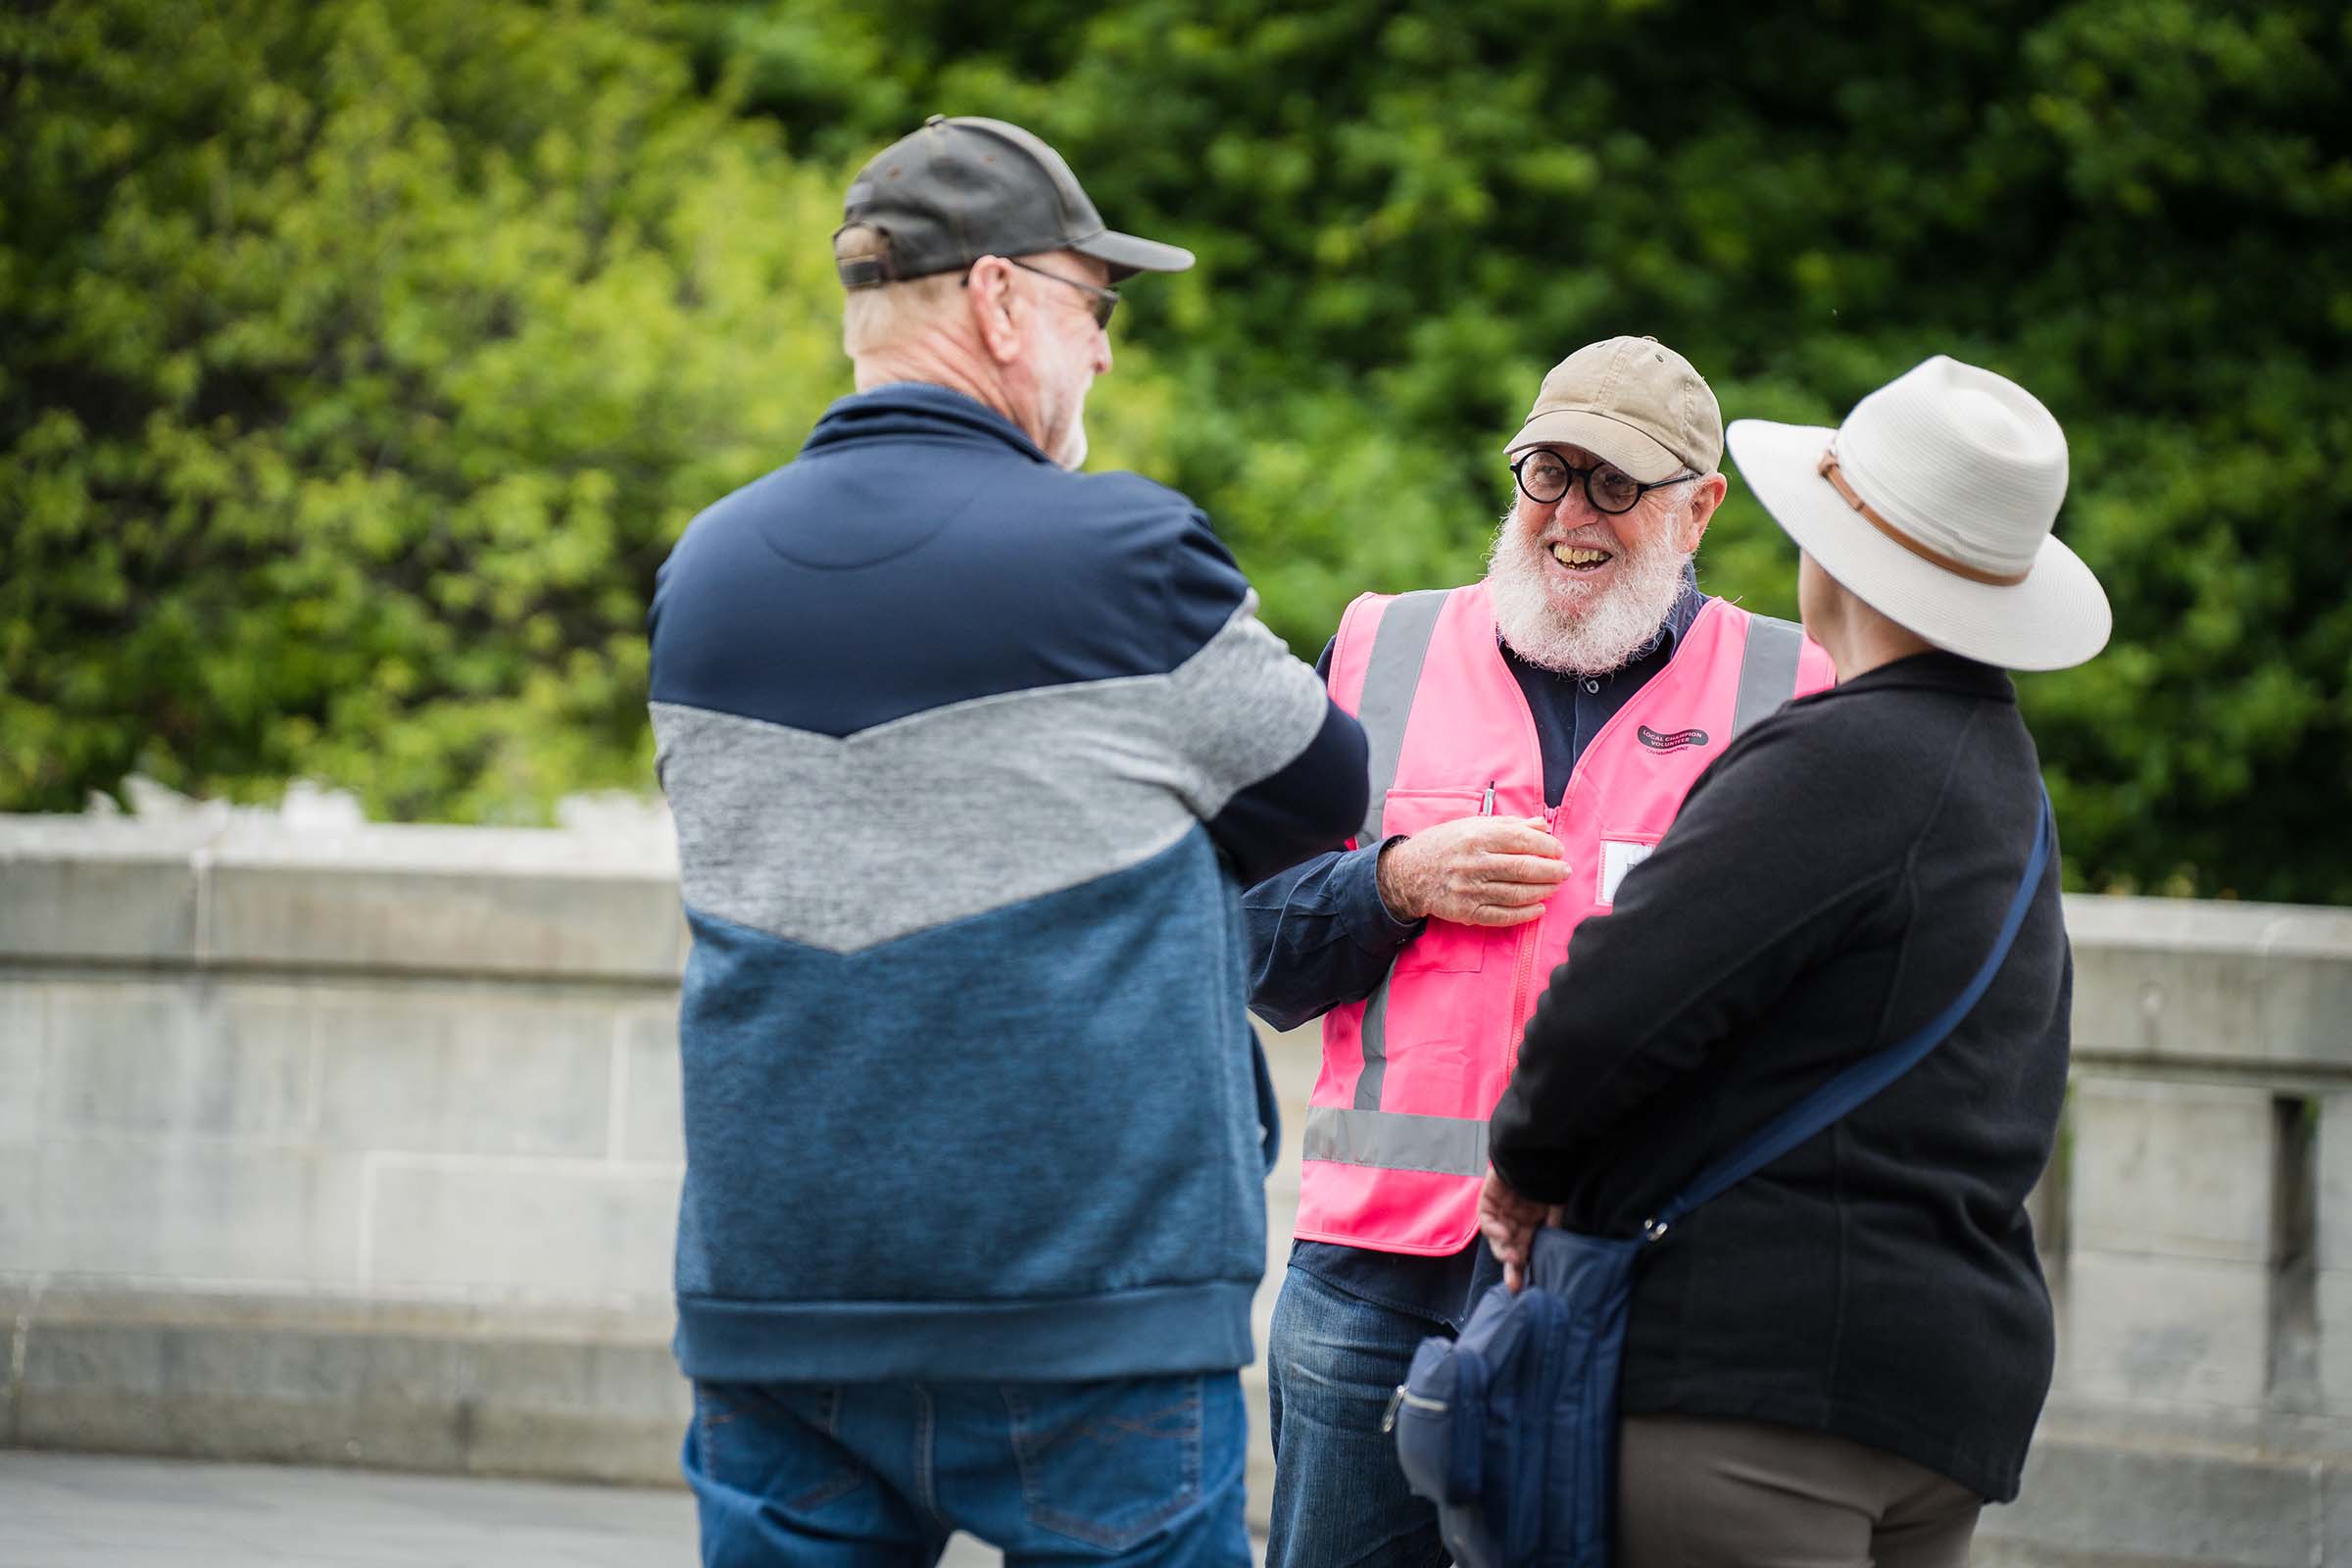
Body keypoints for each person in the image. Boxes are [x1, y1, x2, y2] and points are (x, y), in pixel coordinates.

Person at [646, 115, 1368, 1568]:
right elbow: (1326, 789)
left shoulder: (702, 573)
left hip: (779, 1300)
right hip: (1086, 1311)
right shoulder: (1125, 556)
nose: (1101, 351)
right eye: (1092, 308)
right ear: (996, 300)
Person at [1480, 354, 2111, 1566]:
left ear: (1837, 555)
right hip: (1938, 1398)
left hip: (1757, 1395)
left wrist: (1524, 1167)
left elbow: (1611, 1007)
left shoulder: (1846, 759)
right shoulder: (2005, 786)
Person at [1244, 336, 1834, 1567]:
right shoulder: (1377, 645)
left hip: (1637, 1274)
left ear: (1700, 507)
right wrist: (1395, 880)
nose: (1572, 515)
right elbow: (1253, 942)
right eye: (1546, 473)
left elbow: (1821, 1007)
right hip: (1370, 1274)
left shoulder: (1790, 685)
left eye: (1615, 484)